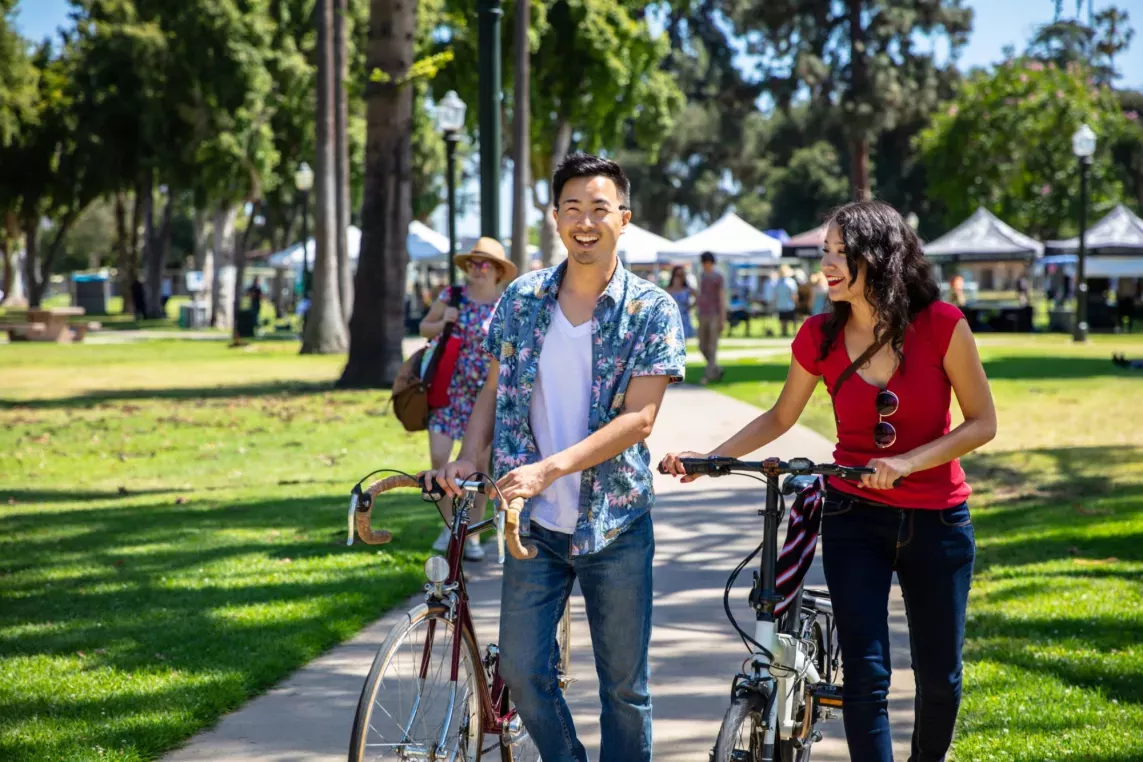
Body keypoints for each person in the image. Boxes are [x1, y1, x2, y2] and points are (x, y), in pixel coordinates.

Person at [662, 200, 997, 762]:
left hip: (938, 519)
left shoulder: (941, 325)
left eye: (843, 252)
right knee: (865, 679)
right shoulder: (817, 334)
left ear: (881, 256)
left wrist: (910, 463)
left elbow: (983, 422)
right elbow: (779, 417)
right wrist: (713, 457)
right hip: (853, 517)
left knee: (940, 678)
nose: (829, 264)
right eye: (826, 251)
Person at [424, 153, 686, 762]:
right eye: (572, 209)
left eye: (599, 209)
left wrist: (552, 467)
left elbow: (640, 419)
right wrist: (468, 456)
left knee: (625, 689)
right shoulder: (522, 298)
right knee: (520, 671)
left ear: (625, 218)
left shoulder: (652, 310)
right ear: (555, 218)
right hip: (532, 524)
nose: (585, 221)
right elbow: (492, 387)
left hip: (615, 524)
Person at [419, 238, 517, 561]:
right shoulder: (453, 297)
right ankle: (449, 525)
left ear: (498, 271)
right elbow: (424, 327)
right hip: (449, 392)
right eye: (473, 264)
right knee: (440, 459)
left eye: (484, 264)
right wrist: (443, 321)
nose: (476, 270)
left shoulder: (505, 304)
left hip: (484, 396)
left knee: (478, 468)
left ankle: (471, 534)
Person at [697, 251, 726, 384]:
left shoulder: (718, 276)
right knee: (702, 346)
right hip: (703, 314)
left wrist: (722, 318)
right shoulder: (701, 275)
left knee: (712, 346)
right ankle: (716, 368)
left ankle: (708, 376)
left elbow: (722, 297)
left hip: (715, 314)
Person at [666, 265, 696, 339]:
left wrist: (690, 307)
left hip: (684, 317)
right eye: (677, 275)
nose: (679, 277)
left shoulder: (687, 289)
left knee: (683, 340)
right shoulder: (668, 290)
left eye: (682, 275)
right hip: (672, 318)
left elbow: (699, 298)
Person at [772, 263, 799, 337]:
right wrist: (796, 302)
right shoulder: (791, 282)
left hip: (780, 304)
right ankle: (794, 332)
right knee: (792, 319)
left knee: (783, 320)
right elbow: (794, 294)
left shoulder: (777, 282)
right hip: (790, 304)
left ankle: (784, 332)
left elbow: (775, 295)